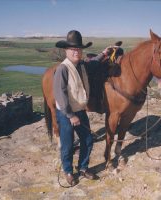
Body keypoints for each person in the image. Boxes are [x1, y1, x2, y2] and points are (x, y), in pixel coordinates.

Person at [53, 30, 110, 186]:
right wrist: (71, 116)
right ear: (66, 51)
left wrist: (104, 53)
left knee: (88, 140)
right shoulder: (62, 69)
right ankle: (68, 171)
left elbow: (95, 62)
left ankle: (83, 167)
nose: (76, 52)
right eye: (73, 49)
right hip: (67, 114)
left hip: (80, 111)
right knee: (67, 145)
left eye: (79, 49)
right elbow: (60, 94)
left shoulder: (82, 65)